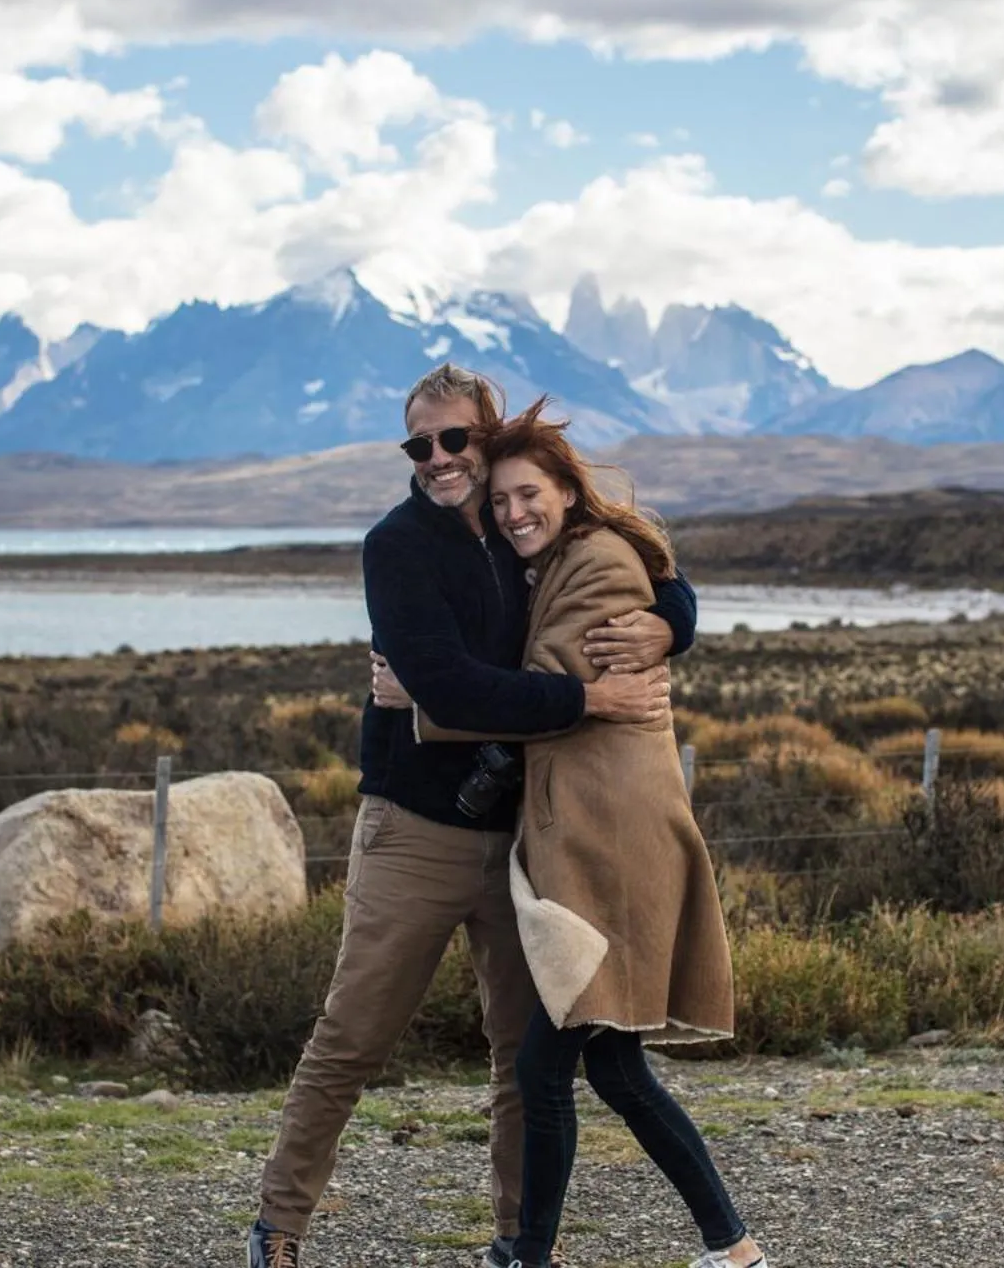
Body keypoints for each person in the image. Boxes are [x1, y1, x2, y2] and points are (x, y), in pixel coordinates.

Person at [247, 363, 700, 1268]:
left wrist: (670, 624)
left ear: (486, 437)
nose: (440, 458)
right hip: (413, 828)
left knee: (520, 1057)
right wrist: (586, 701)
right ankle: (278, 1227)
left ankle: (517, 1242)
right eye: (421, 444)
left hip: (521, 836)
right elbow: (449, 686)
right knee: (352, 1038)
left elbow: (641, 566)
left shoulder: (517, 528)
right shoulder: (398, 545)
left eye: (456, 439)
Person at [387, 398, 768, 1268]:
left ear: (567, 489)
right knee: (615, 1069)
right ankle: (733, 1249)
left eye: (531, 495)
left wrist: (426, 692)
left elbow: (548, 681)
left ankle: (532, 1254)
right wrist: (678, 615)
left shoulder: (596, 562)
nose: (515, 512)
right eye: (503, 501)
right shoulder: (562, 560)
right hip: (598, 839)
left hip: (612, 844)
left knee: (544, 1066)